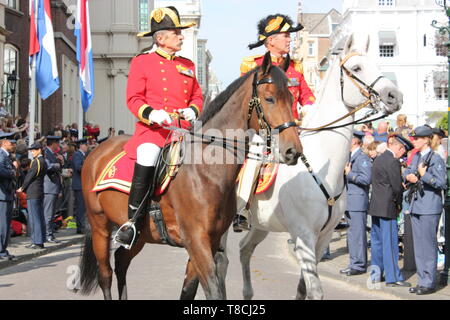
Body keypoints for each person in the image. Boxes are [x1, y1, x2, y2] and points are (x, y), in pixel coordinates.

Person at [114, 6, 203, 248]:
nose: (181, 36)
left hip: (183, 132)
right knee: (148, 155)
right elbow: (133, 99)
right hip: (153, 132)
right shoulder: (143, 62)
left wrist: (192, 110)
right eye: (176, 33)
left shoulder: (188, 65)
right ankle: (132, 223)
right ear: (161, 38)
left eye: (181, 33)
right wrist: (153, 114)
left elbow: (197, 96)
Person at [234, 13, 315, 232]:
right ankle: (241, 208)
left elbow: (306, 93)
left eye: (289, 36)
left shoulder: (294, 67)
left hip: (294, 129)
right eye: (285, 36)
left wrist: (308, 105)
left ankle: (329, 206)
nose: (289, 40)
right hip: (265, 130)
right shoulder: (253, 65)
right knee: (254, 155)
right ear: (271, 40)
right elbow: (246, 99)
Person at [404, 125, 447, 295]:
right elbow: (407, 171)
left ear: (427, 139)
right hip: (416, 205)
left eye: (418, 138)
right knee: (419, 246)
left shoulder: (435, 158)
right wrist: (408, 176)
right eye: (414, 138)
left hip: (429, 206)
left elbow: (442, 182)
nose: (414, 141)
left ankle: (429, 282)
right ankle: (422, 280)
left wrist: (424, 175)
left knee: (428, 246)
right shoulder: (416, 157)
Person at [368, 134, 413, 287]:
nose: (403, 154)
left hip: (375, 206)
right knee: (390, 244)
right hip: (388, 207)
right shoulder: (393, 161)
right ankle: (393, 277)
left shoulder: (379, 158)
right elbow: (396, 187)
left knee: (377, 243)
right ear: (399, 147)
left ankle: (375, 275)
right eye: (403, 151)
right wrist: (399, 204)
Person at [340, 131, 372, 276]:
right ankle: (354, 262)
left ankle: (359, 264)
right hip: (349, 200)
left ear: (354, 141)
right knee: (352, 234)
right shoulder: (349, 157)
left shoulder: (362, 158)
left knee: (358, 234)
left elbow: (366, 179)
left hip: (358, 201)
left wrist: (350, 174)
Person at [18, 142, 47, 249]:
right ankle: (40, 240)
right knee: (38, 216)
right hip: (38, 191)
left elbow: (30, 175)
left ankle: (37, 241)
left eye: (34, 150)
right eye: (31, 150)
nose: (32, 152)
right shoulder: (41, 161)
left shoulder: (38, 162)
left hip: (33, 192)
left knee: (35, 217)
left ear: (39, 150)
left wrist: (22, 187)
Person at [0, 132, 18, 260]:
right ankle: (1, 251)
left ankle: (3, 249)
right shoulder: (1, 155)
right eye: (12, 143)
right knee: (3, 224)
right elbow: (1, 171)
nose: (14, 145)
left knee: (6, 223)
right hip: (2, 194)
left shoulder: (7, 156)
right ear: (5, 142)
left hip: (7, 193)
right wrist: (13, 170)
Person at [43, 135, 63, 243]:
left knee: (51, 213)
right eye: (57, 143)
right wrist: (58, 163)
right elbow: (48, 167)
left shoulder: (53, 154)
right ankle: (47, 234)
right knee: (48, 213)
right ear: (53, 144)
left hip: (53, 187)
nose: (58, 146)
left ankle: (49, 233)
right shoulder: (46, 153)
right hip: (48, 187)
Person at [71, 139, 88, 234]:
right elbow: (78, 167)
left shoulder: (82, 155)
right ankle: (80, 227)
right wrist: (88, 166)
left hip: (81, 185)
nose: (87, 146)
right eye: (85, 144)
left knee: (82, 207)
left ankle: (81, 226)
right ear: (81, 145)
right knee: (80, 207)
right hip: (79, 185)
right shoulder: (77, 154)